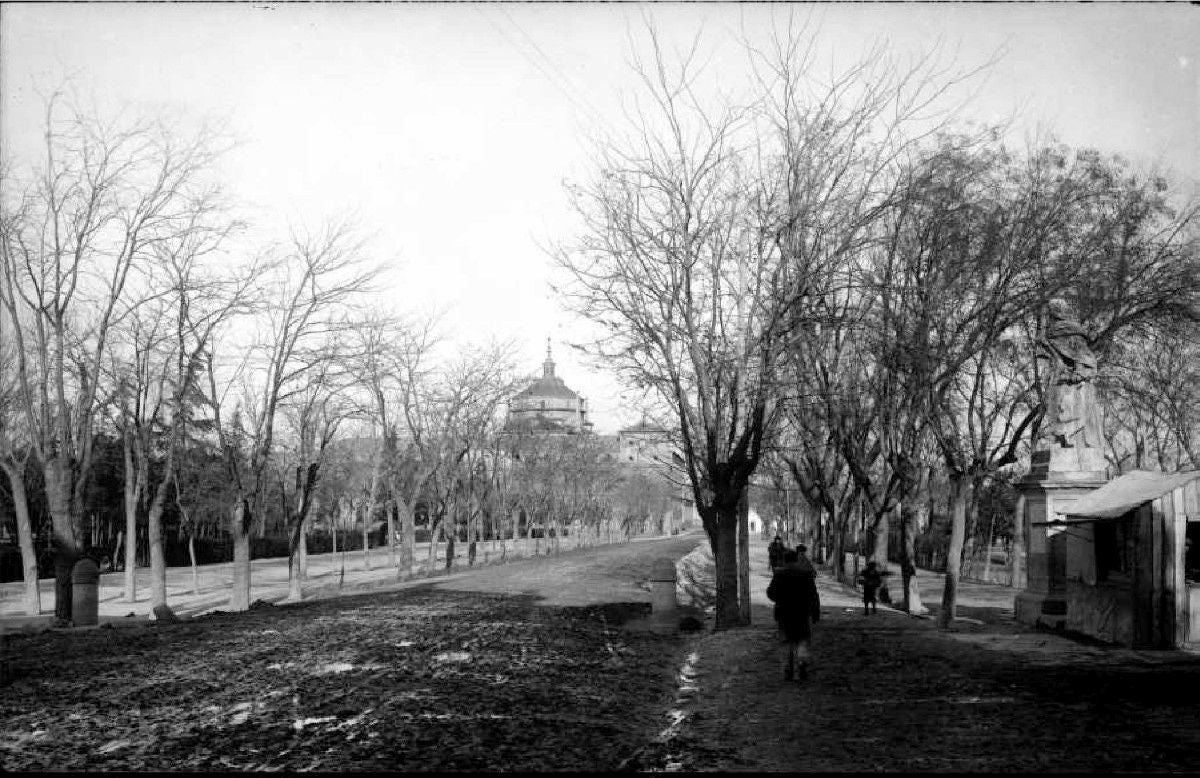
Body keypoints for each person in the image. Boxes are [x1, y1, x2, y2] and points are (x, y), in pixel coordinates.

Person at [766, 549, 821, 682]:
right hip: (802, 612)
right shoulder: (806, 575)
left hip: (784, 612)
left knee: (786, 640)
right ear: (796, 559)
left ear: (785, 560)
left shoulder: (779, 574)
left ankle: (788, 669)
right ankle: (802, 662)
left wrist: (780, 600)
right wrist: (815, 612)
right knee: (802, 639)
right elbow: (814, 595)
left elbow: (771, 593)